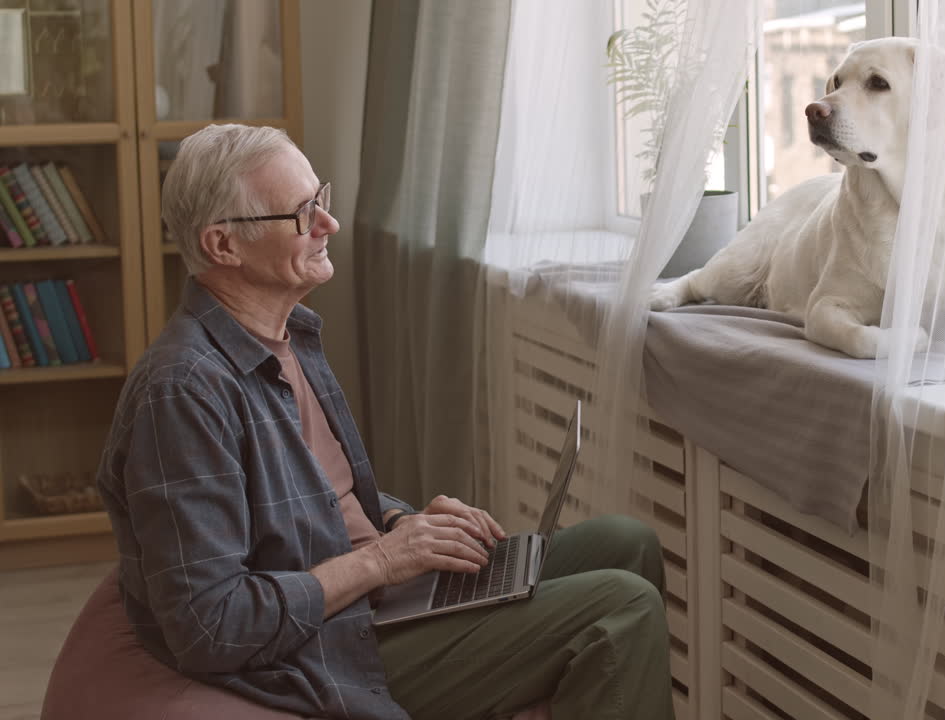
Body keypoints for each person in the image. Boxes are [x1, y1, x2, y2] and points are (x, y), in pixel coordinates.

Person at [96, 123, 675, 720]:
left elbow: (318, 493)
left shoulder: (286, 339)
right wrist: (383, 561)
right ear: (223, 246)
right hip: (323, 649)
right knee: (620, 604)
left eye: (321, 198)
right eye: (302, 214)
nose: (329, 224)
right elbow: (211, 627)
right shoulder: (182, 396)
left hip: (374, 603)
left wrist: (405, 522)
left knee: (625, 543)